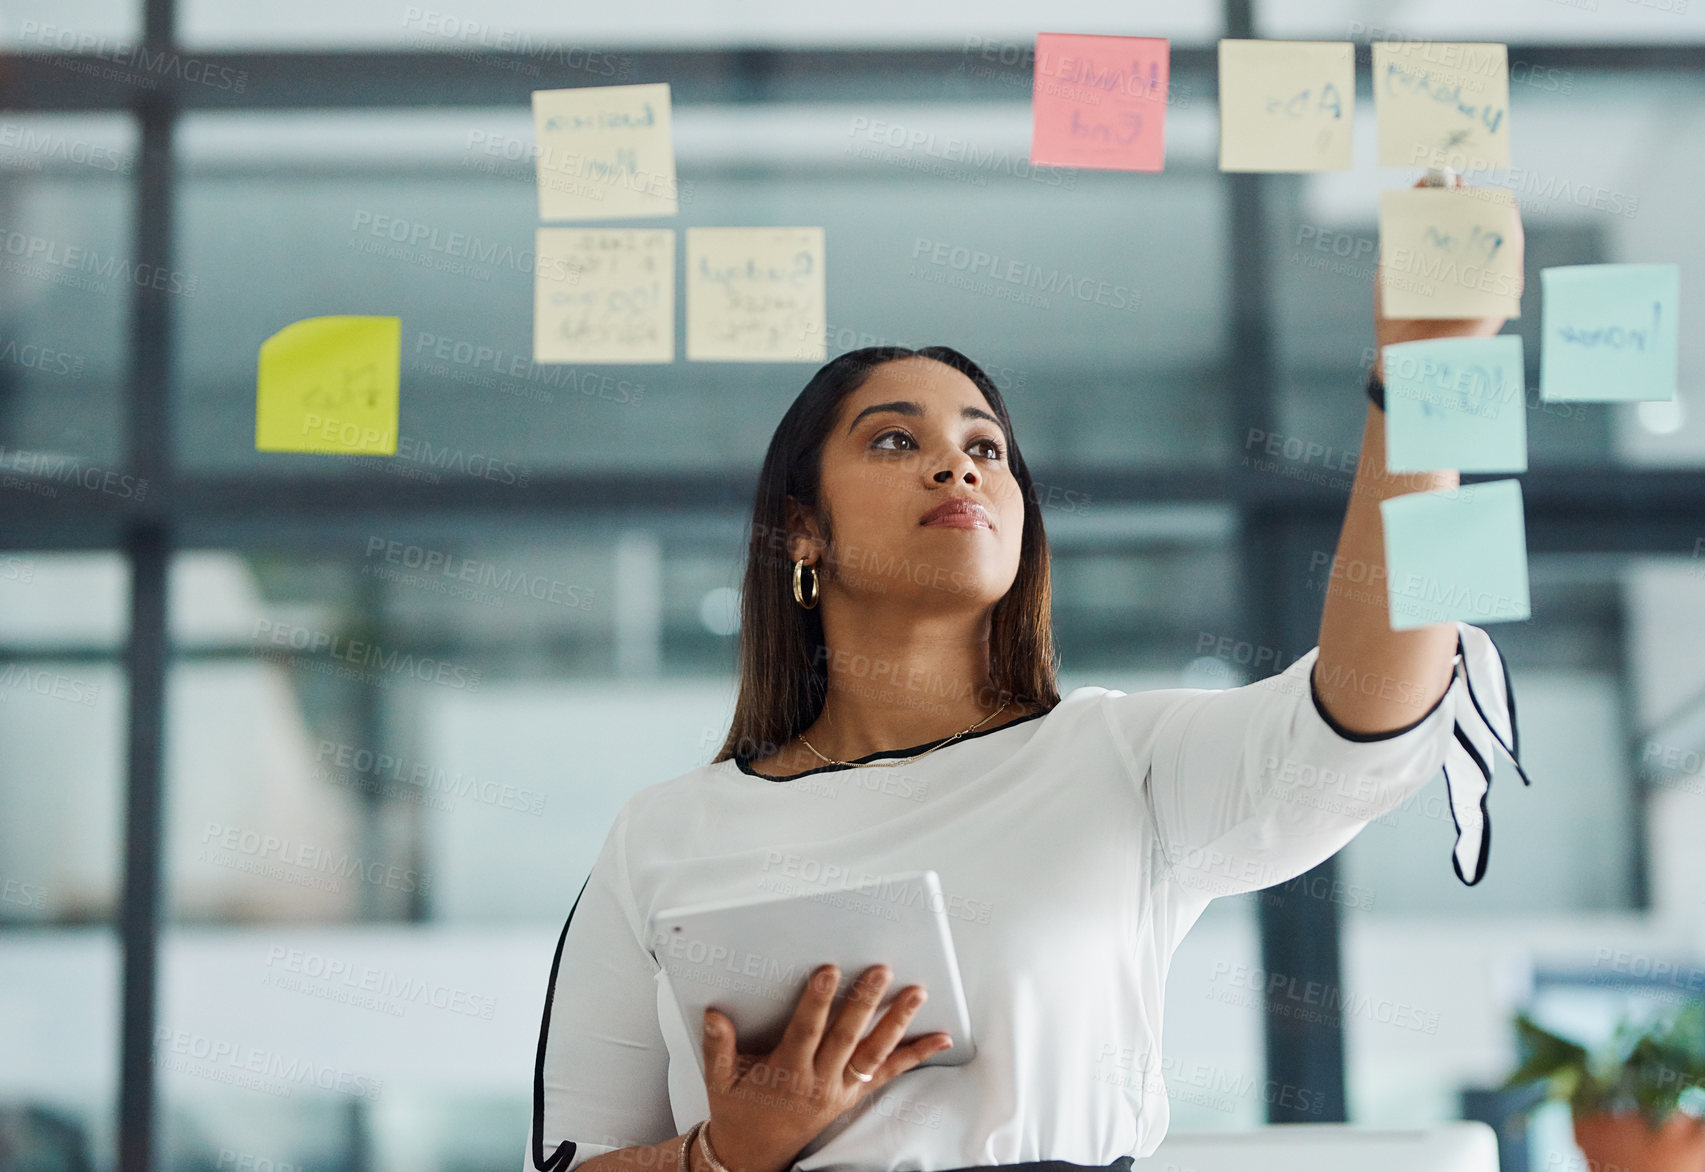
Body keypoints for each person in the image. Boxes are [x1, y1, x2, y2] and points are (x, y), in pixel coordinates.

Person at [527, 174, 1530, 1172]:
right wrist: (720, 1154)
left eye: (984, 446)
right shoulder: (661, 833)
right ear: (801, 531)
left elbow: (1370, 709)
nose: (957, 465)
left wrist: (1428, 366)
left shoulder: (1119, 759)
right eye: (893, 438)